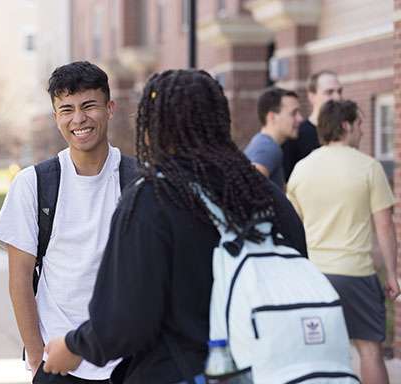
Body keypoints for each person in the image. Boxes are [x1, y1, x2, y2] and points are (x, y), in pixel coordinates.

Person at [41, 69, 308, 383]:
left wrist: (74, 347)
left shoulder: (152, 200)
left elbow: (126, 320)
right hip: (268, 368)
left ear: (154, 127)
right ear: (220, 120)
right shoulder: (268, 197)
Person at [0, 61, 133, 383]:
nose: (78, 119)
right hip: (58, 363)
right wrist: (37, 356)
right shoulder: (33, 184)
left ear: (109, 108)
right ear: (56, 118)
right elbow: (20, 278)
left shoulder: (139, 181)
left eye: (89, 106)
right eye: (66, 110)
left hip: (127, 362)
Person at [287, 99, 400, 384]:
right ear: (346, 125)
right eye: (360, 124)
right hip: (356, 275)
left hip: (314, 276)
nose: (363, 130)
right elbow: (385, 226)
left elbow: (291, 226)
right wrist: (393, 275)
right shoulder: (368, 167)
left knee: (318, 356)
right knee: (370, 352)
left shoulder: (301, 168)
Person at [282, 70, 343, 181]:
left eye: (339, 91)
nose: (337, 97)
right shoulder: (297, 133)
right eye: (329, 92)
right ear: (311, 97)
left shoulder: (345, 132)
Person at [243, 87, 303, 189]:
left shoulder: (260, 142)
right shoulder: (269, 148)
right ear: (272, 117)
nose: (300, 118)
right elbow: (251, 189)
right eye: (293, 113)